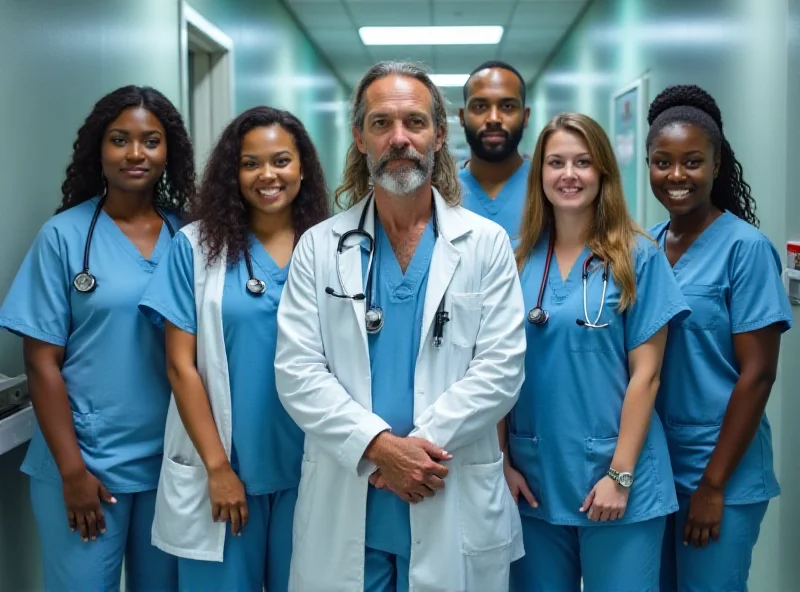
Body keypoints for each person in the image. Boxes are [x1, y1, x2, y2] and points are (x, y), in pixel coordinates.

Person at [273, 60, 527, 592]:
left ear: (439, 133)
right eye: (381, 123)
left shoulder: (485, 244)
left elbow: (501, 370)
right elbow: (297, 372)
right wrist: (379, 449)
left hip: (442, 483)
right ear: (360, 138)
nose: (399, 138)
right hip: (354, 491)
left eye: (414, 122)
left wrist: (414, 453)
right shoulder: (319, 247)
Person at [0, 85, 195, 591]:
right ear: (98, 150)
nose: (135, 154)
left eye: (151, 141)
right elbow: (42, 361)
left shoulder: (191, 237)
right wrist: (71, 472)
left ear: (168, 151)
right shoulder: (64, 237)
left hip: (171, 464)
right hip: (86, 462)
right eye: (119, 140)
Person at [138, 106, 330, 591]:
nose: (268, 175)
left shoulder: (336, 246)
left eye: (281, 160)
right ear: (233, 173)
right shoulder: (195, 248)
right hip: (227, 470)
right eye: (250, 163)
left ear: (303, 167)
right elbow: (181, 366)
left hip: (312, 469)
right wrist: (218, 468)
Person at [503, 113, 690, 592]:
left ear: (603, 171)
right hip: (535, 481)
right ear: (539, 173)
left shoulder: (637, 257)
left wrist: (620, 477)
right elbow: (494, 370)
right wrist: (502, 461)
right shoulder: (514, 258)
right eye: (556, 162)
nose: (569, 174)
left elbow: (646, 376)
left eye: (583, 162)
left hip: (619, 480)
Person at [646, 85, 793, 592]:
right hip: (658, 468)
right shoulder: (648, 244)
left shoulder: (745, 249)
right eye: (662, 162)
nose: (677, 176)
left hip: (720, 471)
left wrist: (712, 485)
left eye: (693, 161)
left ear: (716, 164)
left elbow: (759, 373)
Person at [458, 61, 530, 240]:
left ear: (525, 116)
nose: (493, 119)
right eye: (480, 107)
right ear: (462, 117)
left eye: (507, 107)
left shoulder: (549, 187)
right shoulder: (439, 192)